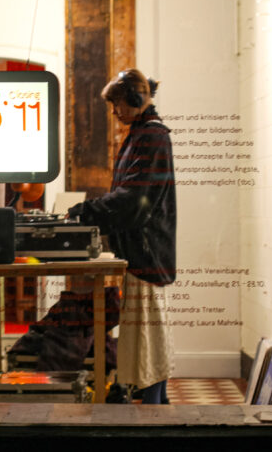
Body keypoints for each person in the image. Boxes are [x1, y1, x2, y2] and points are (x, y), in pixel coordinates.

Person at [67, 68, 177, 405]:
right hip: (142, 254)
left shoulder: (152, 136)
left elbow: (133, 200)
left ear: (136, 99)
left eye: (117, 104)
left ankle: (153, 410)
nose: (115, 112)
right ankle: (152, 403)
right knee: (143, 341)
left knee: (147, 343)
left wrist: (87, 211)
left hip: (147, 255)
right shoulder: (142, 133)